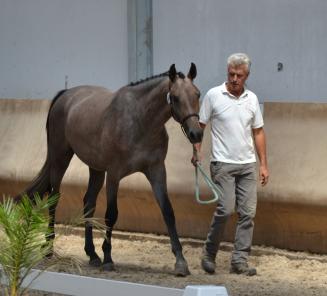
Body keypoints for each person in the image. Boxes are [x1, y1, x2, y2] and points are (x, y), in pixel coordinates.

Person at [192, 53, 269, 276]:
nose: (235, 78)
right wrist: (197, 151)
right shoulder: (214, 95)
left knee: (247, 214)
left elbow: (258, 132)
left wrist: (263, 164)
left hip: (247, 165)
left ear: (247, 76)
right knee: (225, 208)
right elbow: (200, 126)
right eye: (231, 74)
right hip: (222, 164)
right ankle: (209, 254)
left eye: (239, 75)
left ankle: (240, 260)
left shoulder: (252, 99)